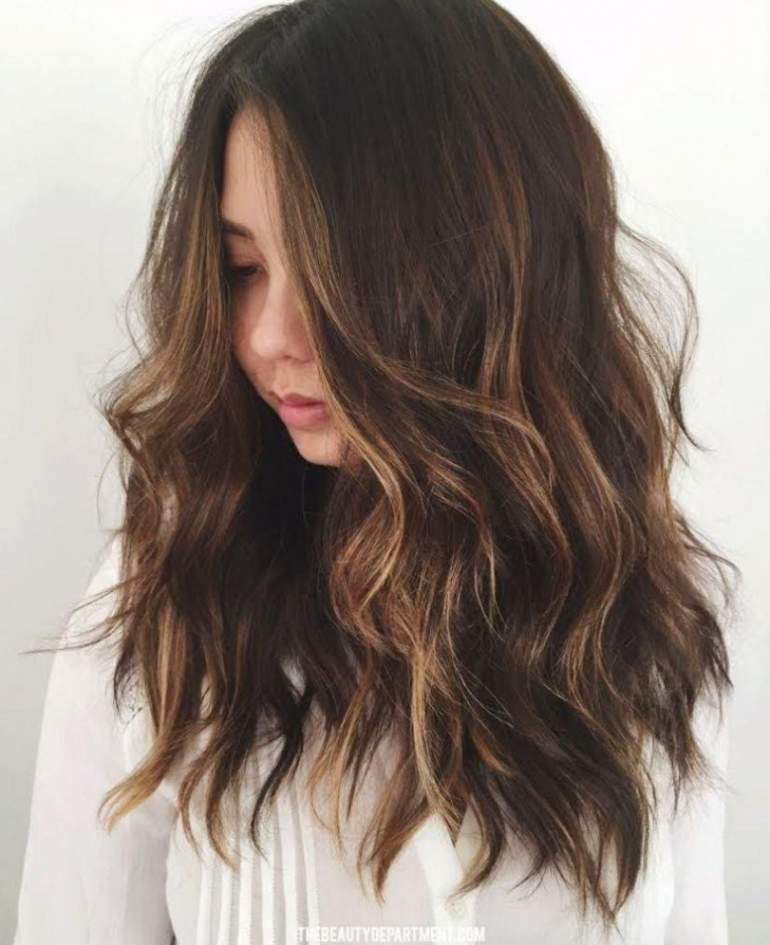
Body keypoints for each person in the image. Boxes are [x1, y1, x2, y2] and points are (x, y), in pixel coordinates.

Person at [14, 1, 736, 943]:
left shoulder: (650, 619)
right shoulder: (166, 606)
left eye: (334, 273)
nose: (270, 336)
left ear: (489, 273)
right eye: (242, 268)